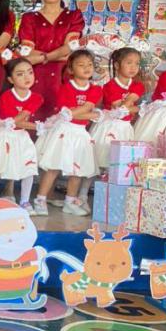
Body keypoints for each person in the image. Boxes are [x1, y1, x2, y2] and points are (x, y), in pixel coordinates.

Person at [33, 49, 101, 217]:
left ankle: (70, 202)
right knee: (54, 167)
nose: (86, 68)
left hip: (80, 132)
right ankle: (40, 199)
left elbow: (82, 109)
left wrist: (74, 113)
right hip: (64, 130)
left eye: (90, 65)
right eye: (81, 65)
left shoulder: (96, 89)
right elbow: (79, 112)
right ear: (70, 69)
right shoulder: (65, 88)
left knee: (77, 169)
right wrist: (90, 114)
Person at [17, 0, 85, 120]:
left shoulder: (74, 16)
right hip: (35, 77)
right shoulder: (29, 18)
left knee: (63, 121)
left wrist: (44, 57)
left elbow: (69, 49)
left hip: (64, 76)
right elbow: (28, 51)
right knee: (33, 118)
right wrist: (57, 55)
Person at [83, 47, 144, 203]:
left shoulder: (138, 85)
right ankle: (82, 195)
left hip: (125, 127)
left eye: (137, 63)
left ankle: (110, 199)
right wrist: (133, 106)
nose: (133, 67)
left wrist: (129, 107)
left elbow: (126, 108)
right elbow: (120, 108)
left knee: (119, 164)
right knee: (97, 161)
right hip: (108, 126)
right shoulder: (109, 86)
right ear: (117, 65)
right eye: (129, 63)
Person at [0, 58, 43, 215]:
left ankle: (24, 201)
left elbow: (21, 122)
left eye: (30, 72)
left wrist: (39, 126)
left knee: (29, 167)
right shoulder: (6, 96)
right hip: (3, 135)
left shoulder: (37, 97)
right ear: (10, 79)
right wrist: (40, 126)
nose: (27, 77)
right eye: (20, 74)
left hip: (20, 135)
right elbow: (16, 121)